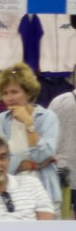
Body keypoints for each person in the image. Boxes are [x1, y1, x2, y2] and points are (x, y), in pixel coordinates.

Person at [0, 62, 62, 214]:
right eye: (5, 93)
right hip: (11, 190)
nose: (9, 98)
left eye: (14, 92)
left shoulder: (47, 117)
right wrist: (32, 164)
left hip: (44, 188)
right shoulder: (0, 120)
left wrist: (29, 123)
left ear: (28, 92)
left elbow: (42, 154)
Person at [48, 70, 76, 218]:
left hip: (58, 172)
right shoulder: (60, 101)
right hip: (61, 173)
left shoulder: (59, 101)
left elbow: (44, 133)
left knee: (60, 224)